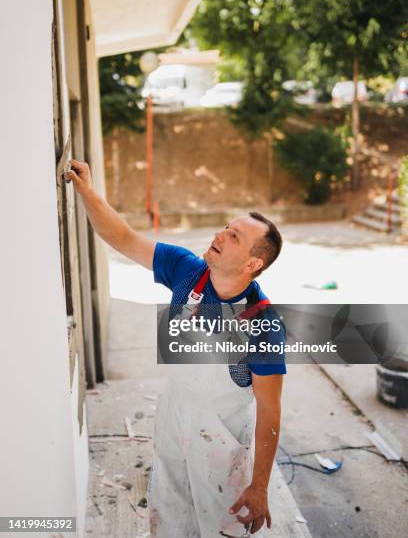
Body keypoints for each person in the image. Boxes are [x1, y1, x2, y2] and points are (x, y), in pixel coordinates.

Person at [68, 159, 286, 537]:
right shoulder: (187, 270)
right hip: (175, 410)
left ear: (253, 262)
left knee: (221, 519)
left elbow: (270, 410)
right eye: (226, 228)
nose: (220, 235)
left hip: (222, 429)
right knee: (168, 505)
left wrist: (260, 485)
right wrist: (87, 192)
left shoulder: (262, 325)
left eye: (234, 237)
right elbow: (122, 237)